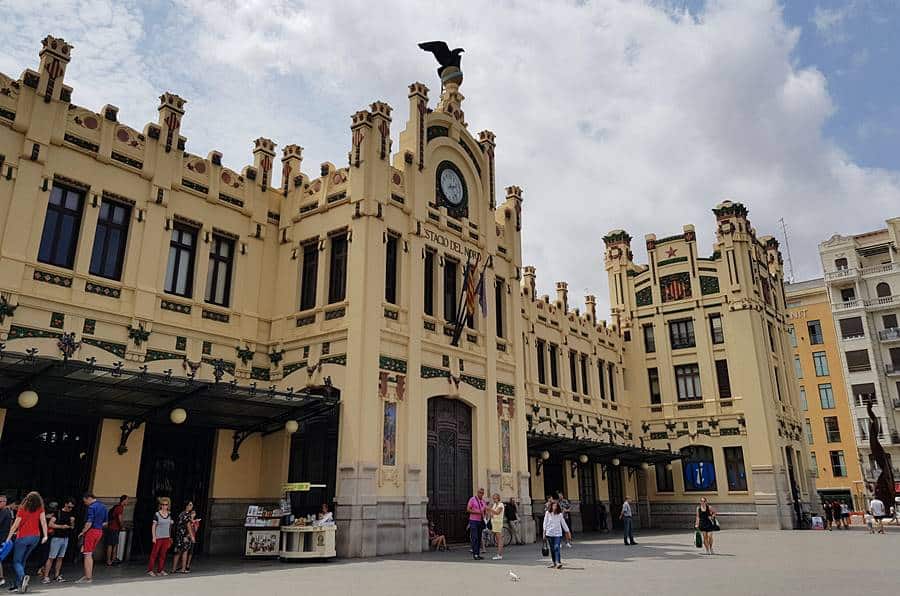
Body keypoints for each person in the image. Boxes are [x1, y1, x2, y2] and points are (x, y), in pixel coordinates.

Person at [5, 491, 48, 594]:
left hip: (23, 537)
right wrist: (45, 535)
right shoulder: (40, 509)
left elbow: (15, 525)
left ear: (27, 499)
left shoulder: (22, 508)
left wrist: (8, 538)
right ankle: (16, 585)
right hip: (35, 538)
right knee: (22, 561)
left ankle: (23, 577)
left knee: (16, 561)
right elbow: (43, 522)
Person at [41, 498, 75, 584]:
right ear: (65, 504)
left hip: (65, 538)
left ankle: (57, 575)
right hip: (56, 538)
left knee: (60, 557)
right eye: (69, 506)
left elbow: (72, 527)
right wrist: (61, 526)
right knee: (51, 557)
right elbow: (50, 524)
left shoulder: (71, 514)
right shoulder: (58, 513)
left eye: (72, 507)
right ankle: (46, 576)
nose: (70, 509)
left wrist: (72, 523)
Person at [77, 492, 107, 584]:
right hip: (99, 531)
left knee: (87, 554)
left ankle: (88, 577)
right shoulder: (103, 507)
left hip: (91, 532)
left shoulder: (91, 507)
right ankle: (88, 575)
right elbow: (105, 522)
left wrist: (83, 531)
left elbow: (89, 522)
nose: (85, 503)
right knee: (90, 553)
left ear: (89, 498)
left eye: (85, 501)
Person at [147, 497, 173, 576]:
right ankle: (150, 570)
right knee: (154, 554)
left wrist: (170, 537)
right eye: (163, 504)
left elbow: (170, 526)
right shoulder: (157, 514)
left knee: (163, 554)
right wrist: (154, 537)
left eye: (166, 504)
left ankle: (160, 570)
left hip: (166, 537)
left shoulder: (169, 514)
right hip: (158, 537)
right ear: (160, 505)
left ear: (168, 505)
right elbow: (153, 526)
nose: (164, 506)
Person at [542, 500, 571, 569]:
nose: (554, 507)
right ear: (551, 506)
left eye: (556, 506)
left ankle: (558, 562)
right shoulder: (547, 513)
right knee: (552, 549)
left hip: (558, 534)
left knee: (556, 547)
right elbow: (545, 523)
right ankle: (554, 562)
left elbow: (563, 524)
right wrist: (544, 533)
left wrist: (568, 532)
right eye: (553, 506)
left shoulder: (560, 514)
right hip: (549, 533)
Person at [171, 501, 196, 574]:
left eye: (192, 505)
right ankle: (183, 569)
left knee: (178, 552)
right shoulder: (187, 515)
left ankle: (173, 569)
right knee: (185, 552)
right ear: (186, 505)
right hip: (185, 535)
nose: (191, 506)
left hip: (179, 535)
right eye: (190, 505)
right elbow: (188, 526)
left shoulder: (181, 514)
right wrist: (192, 536)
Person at [34, 502, 56, 580]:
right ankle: (41, 568)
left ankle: (42, 568)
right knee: (45, 553)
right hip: (46, 536)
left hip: (45, 536)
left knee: (44, 552)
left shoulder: (43, 515)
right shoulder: (46, 516)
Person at [105, 495, 127, 567]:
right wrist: (122, 526)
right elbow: (119, 518)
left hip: (112, 527)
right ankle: (109, 560)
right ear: (124, 500)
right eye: (127, 500)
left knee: (114, 544)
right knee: (112, 544)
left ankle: (113, 559)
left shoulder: (117, 506)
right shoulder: (120, 508)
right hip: (114, 528)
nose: (127, 501)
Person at [466, 488, 487, 560]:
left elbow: (484, 510)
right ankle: (475, 554)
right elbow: (468, 509)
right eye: (480, 492)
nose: (481, 494)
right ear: (477, 493)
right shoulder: (472, 499)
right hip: (473, 520)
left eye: (482, 493)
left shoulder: (483, 501)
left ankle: (478, 554)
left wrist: (485, 517)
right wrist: (477, 512)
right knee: (474, 537)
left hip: (480, 521)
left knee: (479, 537)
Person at [489, 493, 506, 560]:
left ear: (498, 498)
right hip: (494, 523)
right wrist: (491, 513)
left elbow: (497, 512)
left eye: (495, 498)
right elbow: (492, 513)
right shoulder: (494, 505)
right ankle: (498, 554)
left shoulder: (500, 504)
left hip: (498, 523)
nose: (494, 500)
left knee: (499, 539)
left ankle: (499, 554)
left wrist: (490, 509)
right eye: (493, 498)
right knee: (497, 539)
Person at [0, 495, 12, 588]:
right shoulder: (7, 511)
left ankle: (1, 578)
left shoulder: (4, 512)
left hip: (3, 540)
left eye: (0, 502)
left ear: (5, 502)